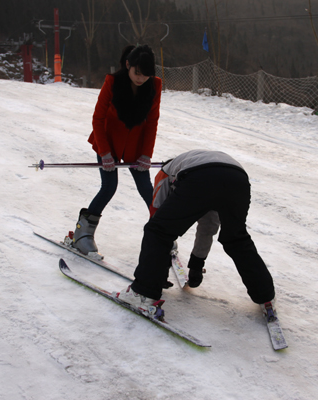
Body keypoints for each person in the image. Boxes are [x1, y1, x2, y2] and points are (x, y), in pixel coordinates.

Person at [115, 149, 277, 320]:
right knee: (236, 239)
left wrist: (157, 267)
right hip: (237, 179)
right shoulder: (195, 162)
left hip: (202, 176)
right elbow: (208, 226)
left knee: (156, 231)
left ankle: (143, 293)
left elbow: (157, 218)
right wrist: (196, 264)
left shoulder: (166, 171)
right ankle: (265, 296)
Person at [72, 45, 162, 259]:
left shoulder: (154, 86)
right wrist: (104, 152)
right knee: (109, 187)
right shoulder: (112, 82)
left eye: (146, 75)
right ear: (128, 65)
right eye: (137, 73)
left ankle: (163, 234)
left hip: (136, 147)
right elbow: (97, 119)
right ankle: (82, 234)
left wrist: (146, 154)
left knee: (146, 189)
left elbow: (152, 122)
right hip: (108, 142)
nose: (141, 79)